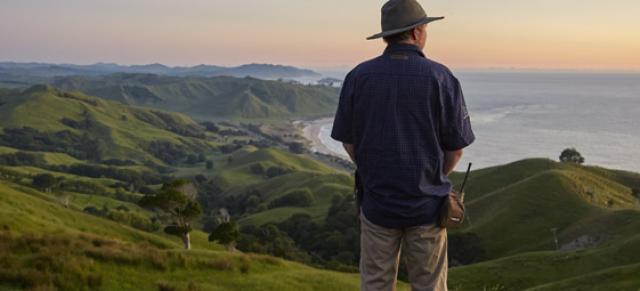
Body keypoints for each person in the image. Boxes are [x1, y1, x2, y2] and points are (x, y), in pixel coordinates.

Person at [330, 0, 475, 290]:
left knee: (375, 284)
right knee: (430, 285)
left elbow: (349, 141)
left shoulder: (358, 77)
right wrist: (432, 177)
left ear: (387, 36)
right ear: (417, 32)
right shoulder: (441, 77)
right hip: (427, 207)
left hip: (377, 204)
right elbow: (456, 148)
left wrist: (373, 169)